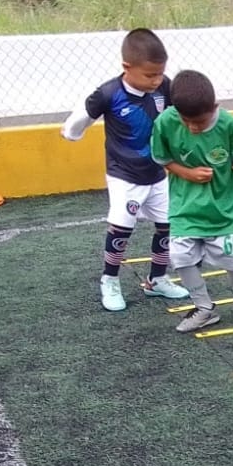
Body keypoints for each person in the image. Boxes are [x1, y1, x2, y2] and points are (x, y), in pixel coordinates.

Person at [60, 28, 194, 313]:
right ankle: (109, 280)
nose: (156, 80)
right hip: (124, 174)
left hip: (157, 172)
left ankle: (157, 280)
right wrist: (71, 132)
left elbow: (180, 115)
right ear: (127, 67)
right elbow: (80, 119)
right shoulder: (108, 94)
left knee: (168, 225)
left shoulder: (163, 87)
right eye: (149, 75)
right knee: (122, 226)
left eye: (160, 74)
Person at [148, 70, 233, 334]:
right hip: (184, 207)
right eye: (186, 120)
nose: (192, 127)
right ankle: (204, 308)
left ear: (214, 107)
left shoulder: (229, 124)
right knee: (180, 256)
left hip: (222, 208)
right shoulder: (165, 122)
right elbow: (163, 159)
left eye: (199, 121)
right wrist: (187, 173)